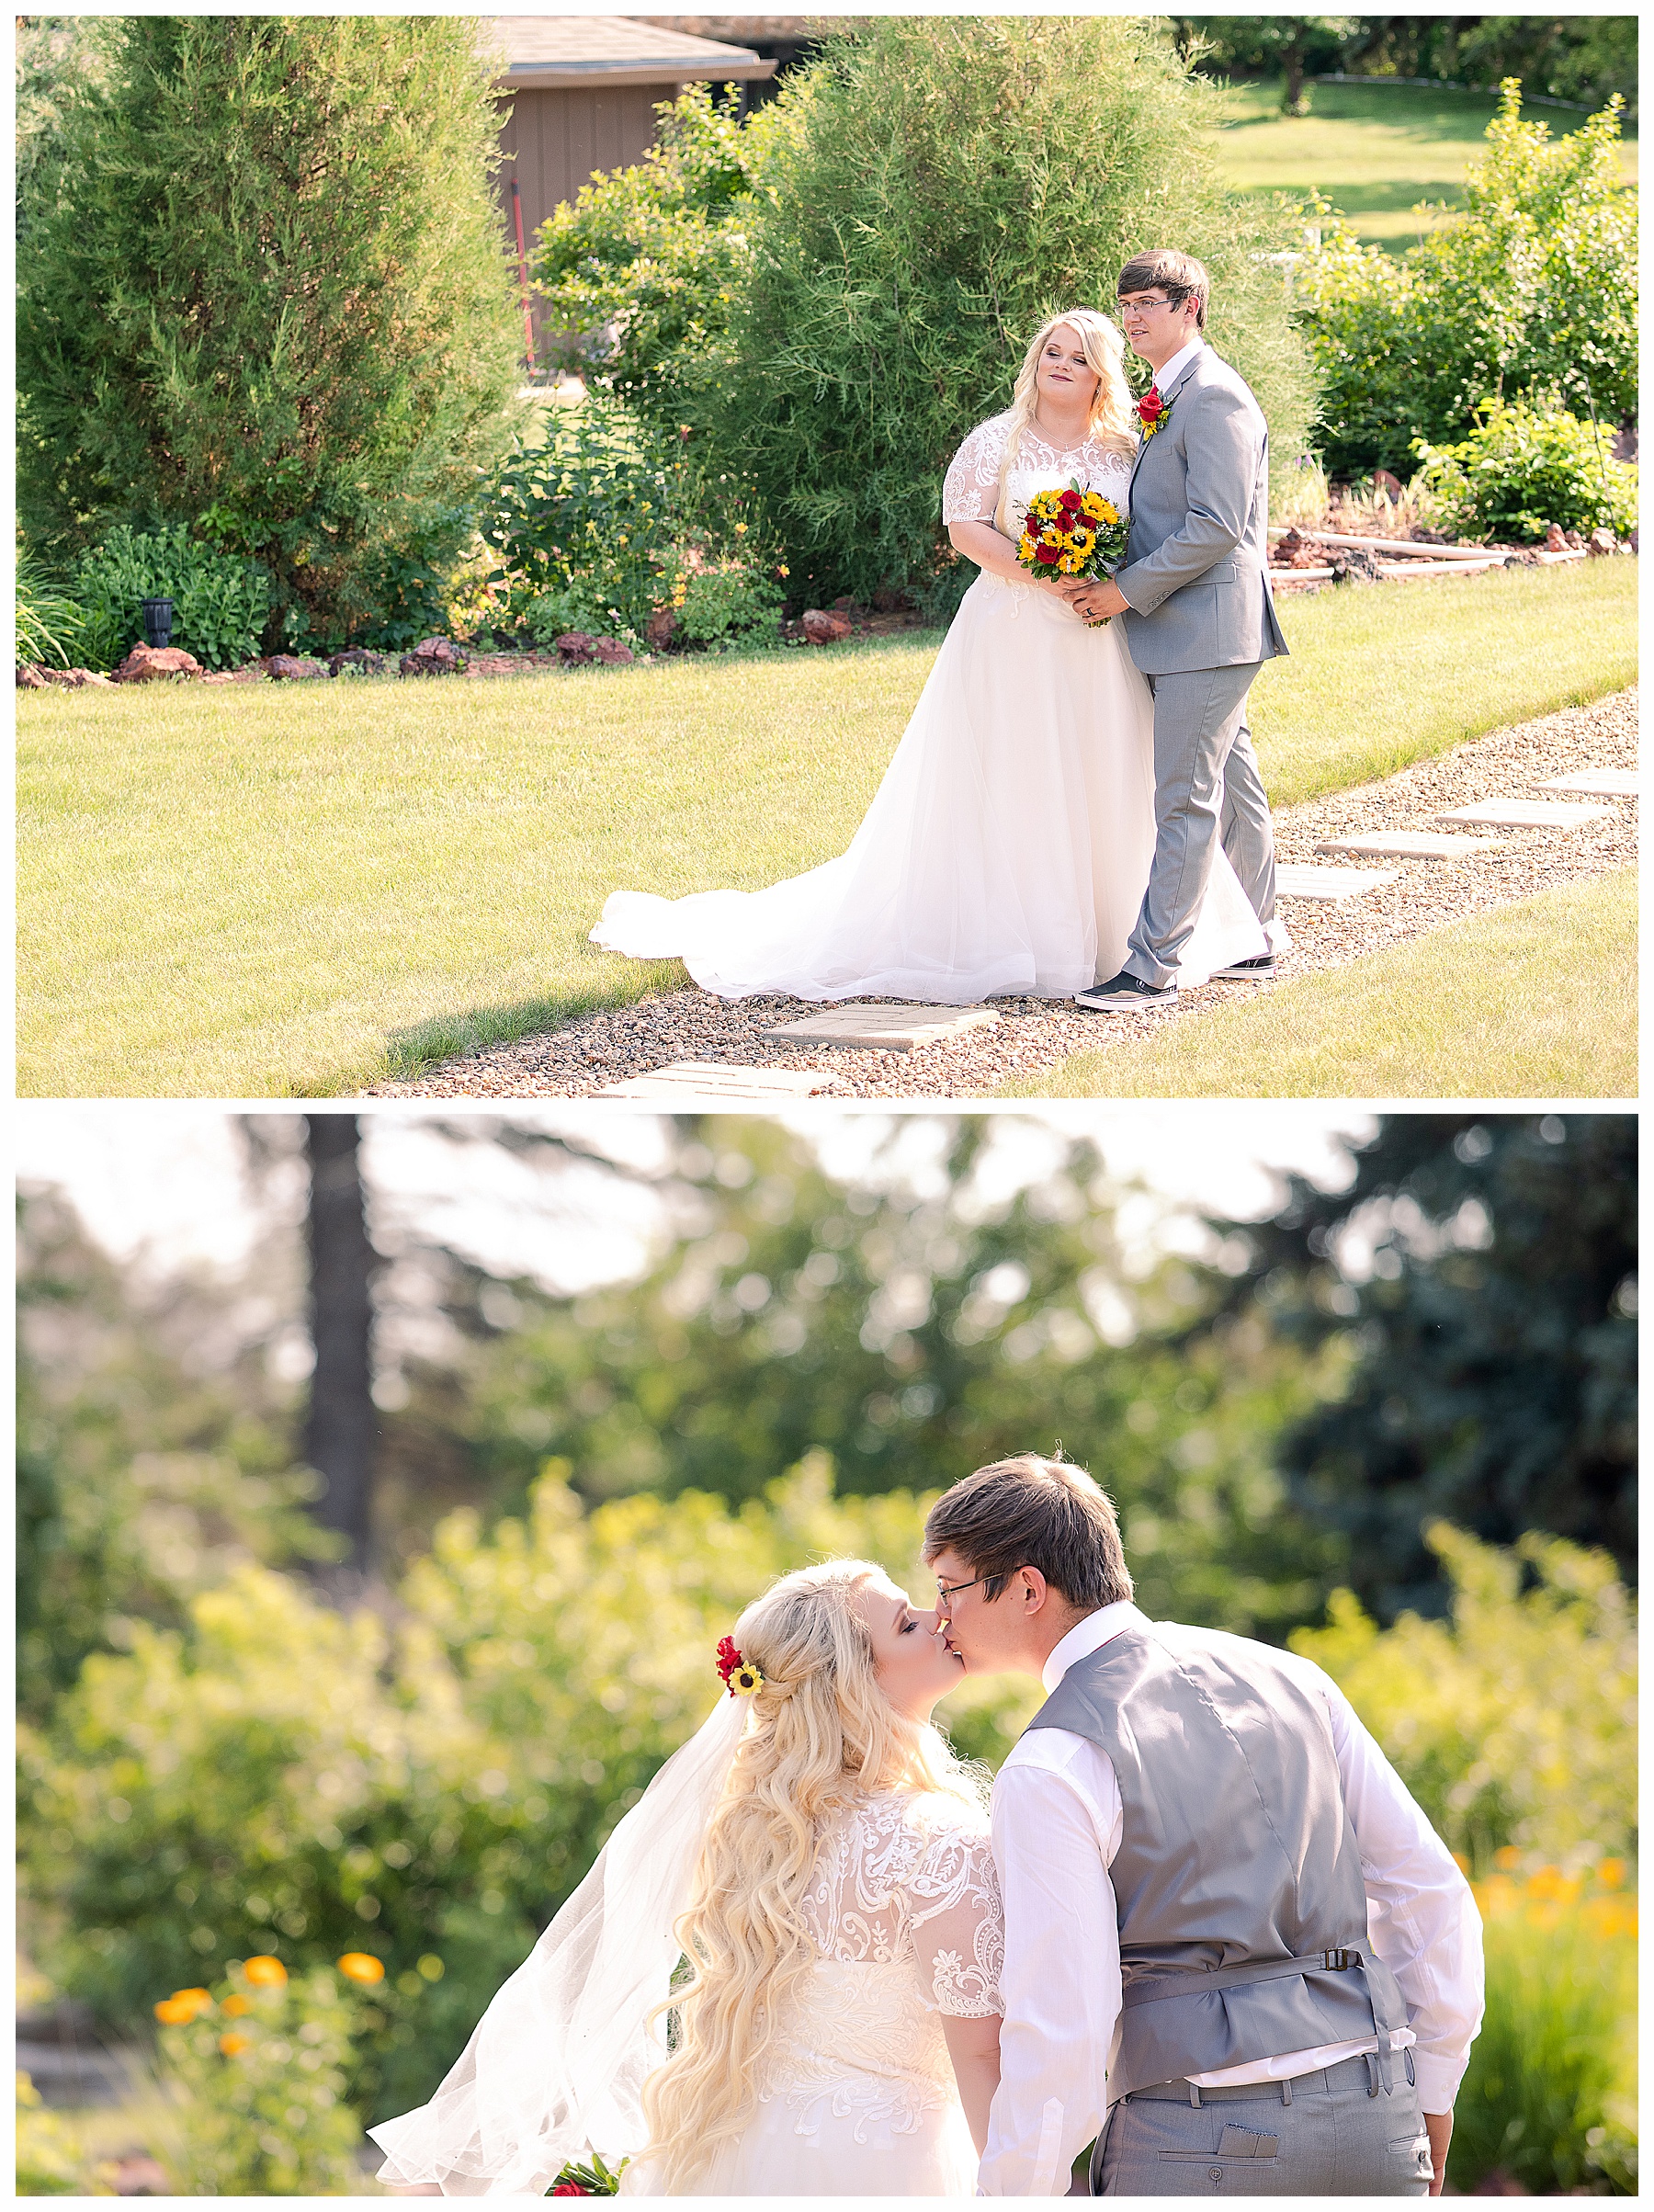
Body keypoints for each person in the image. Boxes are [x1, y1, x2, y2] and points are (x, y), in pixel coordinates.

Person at [589, 308, 1267, 1003]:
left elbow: (1154, 525)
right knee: (1013, 774)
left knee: (1103, 774)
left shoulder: (1128, 448)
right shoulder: (996, 442)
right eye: (1051, 352)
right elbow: (964, 528)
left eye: (1079, 357)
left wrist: (1103, 580)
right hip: (1012, 633)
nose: (1060, 364)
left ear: (1103, 375)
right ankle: (1011, 933)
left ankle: (1114, 935)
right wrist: (1044, 572)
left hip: (1099, 639)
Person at [923, 1453, 1485, 2197]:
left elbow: (1066, 2022)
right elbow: (1428, 1890)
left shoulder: (1052, 1762)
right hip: (1376, 2114)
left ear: (1028, 1586)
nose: (940, 1616)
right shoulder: (1293, 1677)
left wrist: (1014, 2191)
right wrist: (1433, 2087)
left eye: (947, 1587)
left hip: (1196, 2141)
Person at [368, 1560, 1004, 2196]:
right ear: (851, 1683)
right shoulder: (936, 1839)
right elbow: (981, 2056)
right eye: (905, 1622)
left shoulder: (759, 1839)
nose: (935, 1615)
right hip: (888, 2169)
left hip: (740, 2154)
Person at [1073, 249, 1288, 1012]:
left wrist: (1122, 591)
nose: (1131, 319)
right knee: (1231, 783)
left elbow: (1216, 527)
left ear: (1189, 306)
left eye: (1147, 305)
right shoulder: (1170, 392)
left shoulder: (1216, 396)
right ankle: (1259, 933)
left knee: (1184, 797)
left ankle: (1153, 968)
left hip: (1207, 626)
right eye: (1125, 306)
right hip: (1195, 625)